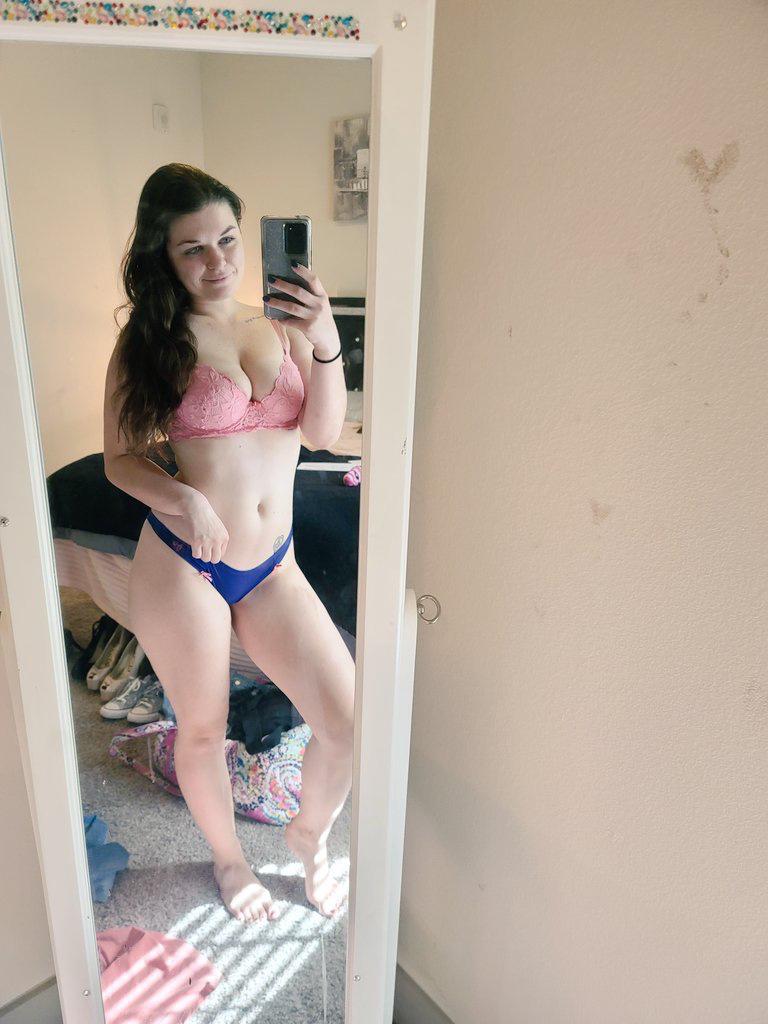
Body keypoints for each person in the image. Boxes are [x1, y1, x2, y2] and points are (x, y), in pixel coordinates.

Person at [103, 163, 355, 924]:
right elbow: (119, 461)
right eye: (193, 249)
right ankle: (230, 860)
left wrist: (324, 339)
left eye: (228, 240)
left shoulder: (279, 323)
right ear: (163, 256)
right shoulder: (149, 342)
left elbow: (323, 433)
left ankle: (309, 835)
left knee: (348, 723)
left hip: (272, 565)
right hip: (185, 562)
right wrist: (182, 497)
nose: (218, 262)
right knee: (203, 730)